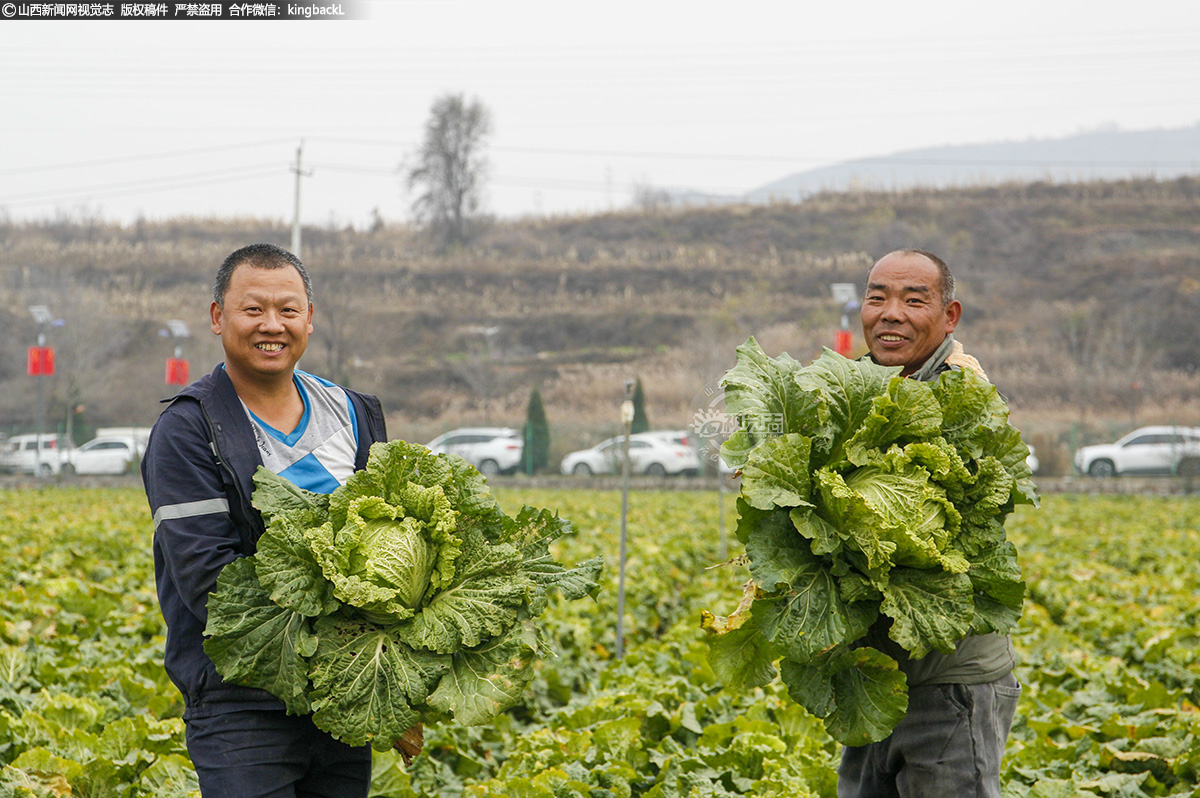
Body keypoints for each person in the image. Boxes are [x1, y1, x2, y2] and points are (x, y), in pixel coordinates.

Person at [142, 243, 389, 797]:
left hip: (341, 701)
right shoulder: (187, 429)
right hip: (241, 702)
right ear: (217, 317)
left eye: (288, 310)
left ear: (309, 319)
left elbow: (389, 540)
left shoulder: (353, 412)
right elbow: (211, 581)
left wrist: (386, 677)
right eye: (253, 309)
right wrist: (349, 645)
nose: (271, 325)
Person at [838, 248, 1020, 798]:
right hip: (869, 674)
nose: (890, 313)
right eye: (877, 298)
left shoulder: (966, 393)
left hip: (948, 682)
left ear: (950, 317)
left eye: (913, 300)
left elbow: (976, 511)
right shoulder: (850, 389)